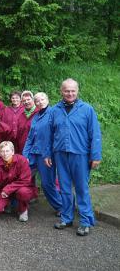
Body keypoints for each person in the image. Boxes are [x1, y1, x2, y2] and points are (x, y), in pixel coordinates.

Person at [45, 79, 102, 236]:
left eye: (72, 91)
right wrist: (47, 153)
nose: (70, 93)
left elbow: (95, 133)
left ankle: (85, 221)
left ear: (77, 91)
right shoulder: (55, 110)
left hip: (80, 154)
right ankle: (67, 217)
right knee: (64, 188)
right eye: (66, 91)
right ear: (61, 91)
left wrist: (95, 155)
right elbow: (49, 134)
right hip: (60, 154)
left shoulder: (87, 110)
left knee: (81, 188)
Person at [23, 92, 62, 215]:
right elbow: (30, 138)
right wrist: (25, 155)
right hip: (33, 153)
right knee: (21, 177)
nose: (40, 102)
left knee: (47, 184)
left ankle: (62, 207)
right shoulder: (35, 117)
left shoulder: (53, 114)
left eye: (42, 99)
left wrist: (49, 153)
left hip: (45, 155)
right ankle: (19, 206)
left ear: (47, 99)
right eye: (37, 100)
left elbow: (55, 136)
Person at [0, 141, 37, 222]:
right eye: (2, 151)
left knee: (23, 192)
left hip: (20, 188)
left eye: (7, 151)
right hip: (4, 191)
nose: (5, 154)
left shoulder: (22, 160)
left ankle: (23, 210)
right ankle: (8, 203)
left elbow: (26, 180)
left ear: (12, 151)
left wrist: (8, 189)